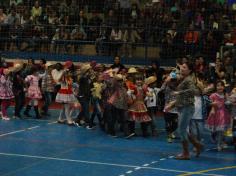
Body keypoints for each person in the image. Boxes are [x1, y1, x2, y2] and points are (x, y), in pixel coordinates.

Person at [165, 61, 203, 160]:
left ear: (190, 70)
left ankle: (186, 153)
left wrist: (179, 92)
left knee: (181, 130)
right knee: (183, 130)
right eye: (182, 67)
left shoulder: (189, 80)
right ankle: (197, 145)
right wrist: (172, 103)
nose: (182, 68)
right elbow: (177, 91)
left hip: (187, 107)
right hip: (182, 107)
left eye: (185, 67)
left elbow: (194, 91)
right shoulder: (183, 79)